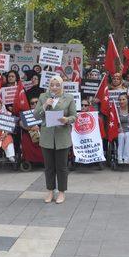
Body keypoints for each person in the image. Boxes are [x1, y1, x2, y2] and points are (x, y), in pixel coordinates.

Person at [34, 75, 77, 204]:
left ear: (61, 85)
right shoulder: (43, 97)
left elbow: (74, 116)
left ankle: (62, 192)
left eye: (57, 85)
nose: (54, 87)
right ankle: (50, 190)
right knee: (49, 167)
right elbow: (36, 114)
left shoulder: (68, 98)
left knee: (62, 167)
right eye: (52, 85)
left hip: (62, 136)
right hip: (47, 136)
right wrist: (45, 105)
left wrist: (67, 120)